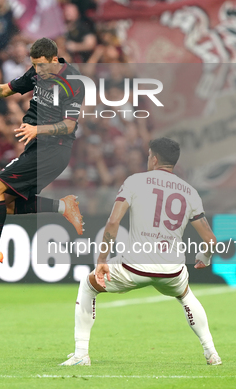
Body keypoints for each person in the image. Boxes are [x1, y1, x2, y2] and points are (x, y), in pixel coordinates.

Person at [60, 138, 222, 367]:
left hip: (135, 266)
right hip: (172, 269)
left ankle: (81, 354)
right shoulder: (190, 192)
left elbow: (113, 222)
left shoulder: (135, 182)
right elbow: (210, 240)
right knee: (185, 295)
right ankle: (211, 353)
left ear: (154, 159)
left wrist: (102, 260)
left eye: (148, 156)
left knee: (88, 285)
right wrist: (204, 257)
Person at [0, 37, 85, 275]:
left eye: (42, 65)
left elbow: (68, 125)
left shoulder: (73, 82)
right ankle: (63, 206)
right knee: (4, 205)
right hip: (38, 148)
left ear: (55, 59)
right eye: (34, 65)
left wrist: (37, 130)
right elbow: (6, 89)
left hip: (54, 149)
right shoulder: (36, 72)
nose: (37, 71)